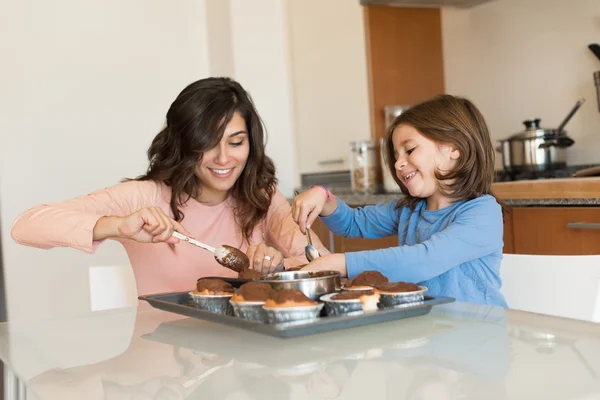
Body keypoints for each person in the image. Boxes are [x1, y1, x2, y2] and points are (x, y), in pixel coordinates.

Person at [12, 77, 328, 296]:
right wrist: (117, 226)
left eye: (235, 142)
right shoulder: (144, 199)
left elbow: (321, 265)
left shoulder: (261, 197)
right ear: (186, 143)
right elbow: (25, 225)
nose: (223, 158)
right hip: (162, 375)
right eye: (209, 144)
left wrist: (280, 265)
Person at [291, 94, 507, 307]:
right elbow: (353, 222)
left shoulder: (483, 212)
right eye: (396, 156)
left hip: (480, 335)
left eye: (410, 150)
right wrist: (323, 197)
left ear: (454, 148)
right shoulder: (409, 210)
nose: (398, 164)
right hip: (427, 332)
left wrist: (342, 264)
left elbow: (424, 260)